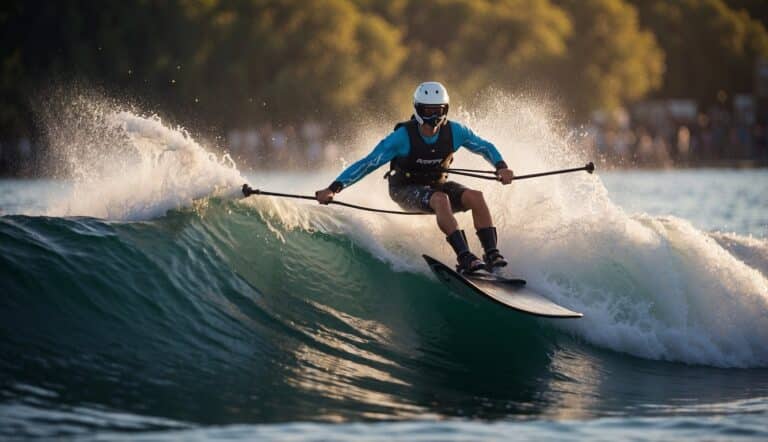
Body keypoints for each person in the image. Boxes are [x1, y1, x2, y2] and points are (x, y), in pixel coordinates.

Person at [315, 82, 514, 274]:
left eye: (439, 110)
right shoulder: (401, 137)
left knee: (476, 197)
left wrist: (501, 166)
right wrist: (334, 188)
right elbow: (367, 164)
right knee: (440, 199)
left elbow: (485, 147)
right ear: (418, 109)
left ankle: (491, 255)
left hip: (437, 185)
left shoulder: (455, 131)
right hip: (404, 189)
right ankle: (465, 257)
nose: (435, 117)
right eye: (429, 111)